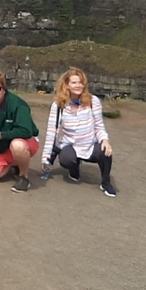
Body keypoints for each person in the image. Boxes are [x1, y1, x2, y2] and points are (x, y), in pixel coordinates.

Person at [42, 68, 116, 197]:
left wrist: (105, 140)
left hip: (90, 144)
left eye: (81, 82)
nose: (78, 85)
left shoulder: (93, 101)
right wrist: (45, 158)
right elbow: (51, 131)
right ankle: (74, 168)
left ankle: (106, 183)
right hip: (71, 144)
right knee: (66, 159)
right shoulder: (58, 105)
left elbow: (99, 126)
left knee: (106, 151)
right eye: (74, 82)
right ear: (67, 85)